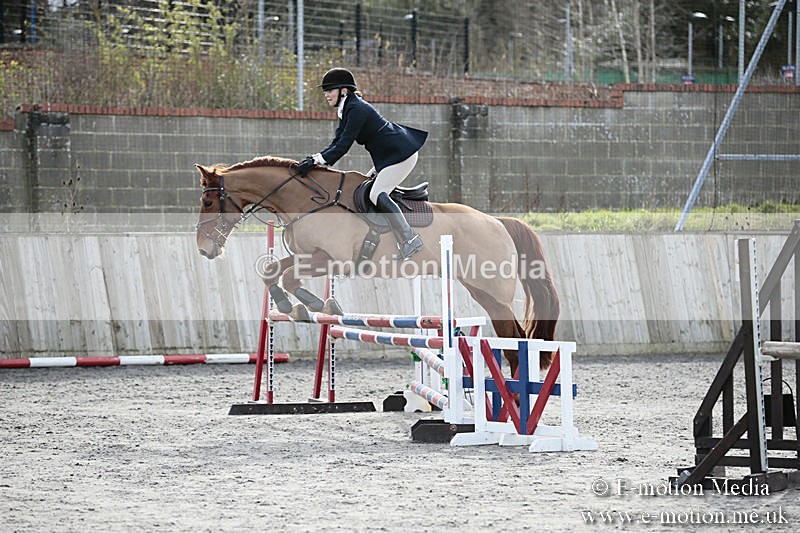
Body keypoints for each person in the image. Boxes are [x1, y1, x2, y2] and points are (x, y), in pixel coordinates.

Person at [296, 68, 427, 260]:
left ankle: (410, 239)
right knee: (364, 187)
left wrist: (317, 160)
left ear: (344, 91)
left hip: (401, 154)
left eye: (330, 90)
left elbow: (343, 146)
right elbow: (337, 141)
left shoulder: (356, 109)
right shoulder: (347, 108)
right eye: (326, 91)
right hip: (387, 156)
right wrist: (316, 158)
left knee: (376, 194)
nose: (326, 94)